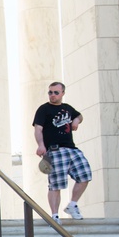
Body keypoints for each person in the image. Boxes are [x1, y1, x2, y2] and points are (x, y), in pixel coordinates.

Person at [33, 81, 92, 221]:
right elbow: (38, 128)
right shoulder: (44, 109)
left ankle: (72, 205)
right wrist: (41, 145)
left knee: (85, 175)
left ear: (62, 93)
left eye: (56, 92)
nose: (52, 95)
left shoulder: (67, 108)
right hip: (55, 150)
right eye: (50, 92)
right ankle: (55, 215)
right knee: (56, 184)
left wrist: (76, 121)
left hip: (71, 148)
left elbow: (79, 115)